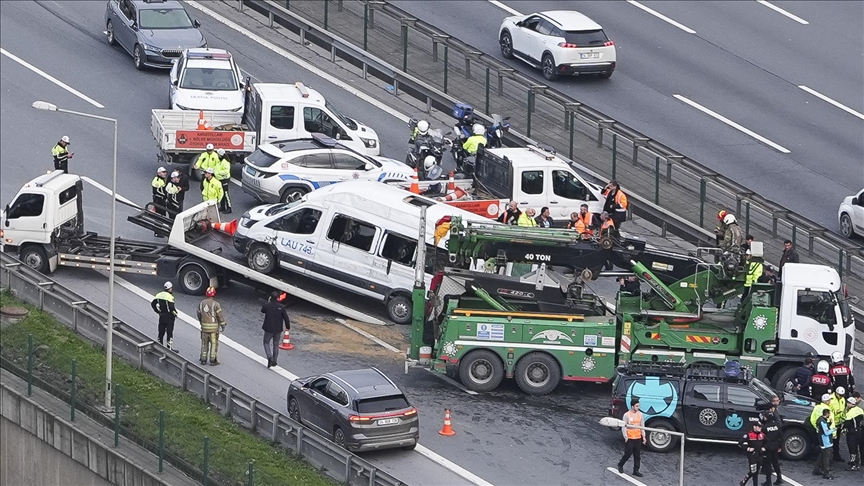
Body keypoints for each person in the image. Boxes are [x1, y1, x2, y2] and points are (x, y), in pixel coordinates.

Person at [197, 286, 226, 366]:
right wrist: (223, 325)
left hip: (204, 328)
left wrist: (201, 322)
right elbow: (220, 316)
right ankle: (213, 360)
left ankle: (203, 359)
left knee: (204, 344)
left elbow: (199, 314)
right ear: (214, 294)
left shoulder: (202, 303)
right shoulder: (216, 304)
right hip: (213, 329)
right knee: (214, 344)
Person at [261, 291, 291, 368]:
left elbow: (262, 310)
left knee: (266, 342)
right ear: (278, 298)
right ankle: (274, 360)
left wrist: (268, 302)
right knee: (276, 344)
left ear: (270, 297)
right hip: (278, 329)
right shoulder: (281, 307)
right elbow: (286, 318)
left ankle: (269, 357)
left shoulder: (267, 305)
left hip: (268, 328)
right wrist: (288, 326)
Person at [617, 398, 645, 477]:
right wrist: (625, 436)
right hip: (630, 437)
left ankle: (636, 470)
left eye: (638, 406)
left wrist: (644, 436)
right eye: (636, 406)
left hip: (638, 437)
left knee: (637, 455)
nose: (638, 407)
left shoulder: (640, 414)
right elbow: (624, 427)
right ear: (632, 406)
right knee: (628, 453)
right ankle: (620, 464)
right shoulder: (627, 415)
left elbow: (642, 426)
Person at [150, 281, 178, 351]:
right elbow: (171, 307)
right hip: (169, 317)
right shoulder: (170, 297)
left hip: (162, 316)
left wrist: (157, 311)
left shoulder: (159, 295)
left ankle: (159, 346)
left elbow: (153, 304)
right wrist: (175, 314)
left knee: (161, 331)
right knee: (169, 332)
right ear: (170, 288)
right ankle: (170, 348)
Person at [760, 404, 783, 485]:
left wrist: (762, 447)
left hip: (768, 447)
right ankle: (779, 478)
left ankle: (768, 481)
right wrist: (780, 446)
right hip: (776, 446)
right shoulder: (777, 425)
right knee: (775, 462)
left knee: (767, 464)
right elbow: (781, 436)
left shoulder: (764, 427)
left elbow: (763, 439)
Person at [738, 421, 765, 486]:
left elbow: (767, 442)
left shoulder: (762, 434)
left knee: (756, 472)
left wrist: (764, 447)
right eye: (759, 427)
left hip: (759, 455)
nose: (760, 428)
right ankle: (746, 483)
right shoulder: (749, 435)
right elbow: (740, 443)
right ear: (754, 427)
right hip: (752, 456)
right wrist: (748, 448)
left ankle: (749, 483)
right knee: (753, 471)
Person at [814, 407, 836, 479]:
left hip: (823, 441)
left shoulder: (821, 420)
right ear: (827, 414)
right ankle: (826, 473)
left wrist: (829, 423)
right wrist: (833, 430)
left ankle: (816, 469)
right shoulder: (822, 422)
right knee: (826, 457)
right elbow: (826, 432)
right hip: (825, 442)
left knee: (821, 455)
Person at [844, 397, 863, 471]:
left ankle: (853, 465)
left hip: (852, 433)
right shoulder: (860, 410)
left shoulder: (850, 413)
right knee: (856, 448)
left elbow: (846, 423)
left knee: (852, 448)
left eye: (848, 403)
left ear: (851, 404)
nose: (847, 404)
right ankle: (857, 463)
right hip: (859, 431)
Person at [829, 386, 847, 462]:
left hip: (839, 423)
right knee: (829, 441)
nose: (841, 397)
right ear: (836, 393)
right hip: (831, 423)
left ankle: (836, 455)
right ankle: (829, 457)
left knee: (837, 441)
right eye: (840, 395)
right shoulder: (830, 399)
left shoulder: (842, 399)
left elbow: (844, 410)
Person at [214, 149, 232, 214]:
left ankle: (229, 208)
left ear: (221, 155)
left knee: (226, 194)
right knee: (221, 193)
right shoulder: (219, 161)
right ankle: (222, 207)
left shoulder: (225, 162)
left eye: (218, 154)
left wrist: (217, 173)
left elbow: (226, 172)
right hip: (219, 179)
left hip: (225, 180)